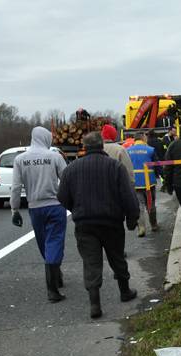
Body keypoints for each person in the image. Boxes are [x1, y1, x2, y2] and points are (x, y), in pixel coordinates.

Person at [57, 132, 141, 319]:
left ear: (84, 147)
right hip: (111, 222)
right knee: (117, 258)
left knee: (91, 262)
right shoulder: (115, 167)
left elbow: (62, 198)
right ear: (102, 145)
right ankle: (125, 291)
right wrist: (132, 218)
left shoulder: (71, 169)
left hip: (85, 224)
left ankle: (95, 304)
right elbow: (128, 196)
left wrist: (77, 209)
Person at [10, 126, 69, 302]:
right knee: (55, 241)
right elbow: (66, 180)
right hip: (55, 205)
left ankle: (55, 274)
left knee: (44, 244)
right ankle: (52, 287)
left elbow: (15, 187)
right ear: (46, 138)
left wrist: (14, 210)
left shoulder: (20, 159)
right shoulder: (55, 157)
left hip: (35, 207)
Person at [126, 132, 160, 236]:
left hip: (135, 182)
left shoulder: (127, 151)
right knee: (151, 204)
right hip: (149, 182)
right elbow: (157, 165)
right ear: (143, 138)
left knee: (139, 206)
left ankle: (141, 227)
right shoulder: (150, 150)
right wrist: (161, 175)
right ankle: (153, 225)